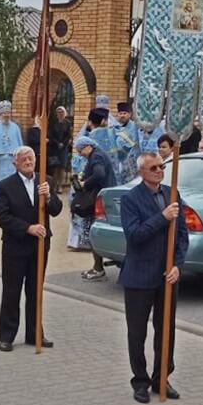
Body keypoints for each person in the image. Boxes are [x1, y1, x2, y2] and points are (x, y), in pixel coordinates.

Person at [119, 152, 188, 403]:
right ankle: (140, 381)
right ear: (142, 172)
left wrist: (177, 264)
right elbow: (134, 236)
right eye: (154, 168)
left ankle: (162, 377)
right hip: (139, 275)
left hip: (167, 275)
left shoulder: (172, 194)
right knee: (137, 332)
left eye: (162, 167)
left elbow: (182, 234)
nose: (160, 171)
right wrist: (162, 217)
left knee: (166, 328)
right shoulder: (130, 199)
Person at [0, 147, 58, 351]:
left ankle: (34, 333)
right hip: (16, 246)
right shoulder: (6, 186)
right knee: (11, 291)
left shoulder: (46, 181)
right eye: (24, 160)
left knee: (35, 290)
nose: (28, 162)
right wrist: (27, 228)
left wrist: (49, 197)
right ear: (16, 164)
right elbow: (2, 217)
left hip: (39, 245)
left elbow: (56, 210)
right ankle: (7, 336)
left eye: (31, 159)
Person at [74, 136, 115, 281]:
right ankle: (97, 267)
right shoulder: (98, 154)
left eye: (80, 151)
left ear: (87, 147)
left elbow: (99, 173)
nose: (80, 155)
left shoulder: (96, 156)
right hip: (102, 197)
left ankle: (98, 269)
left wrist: (84, 184)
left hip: (99, 199)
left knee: (94, 232)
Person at [110, 101, 141, 179]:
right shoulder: (114, 128)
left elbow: (135, 145)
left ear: (130, 114)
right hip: (117, 162)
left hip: (132, 162)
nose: (122, 115)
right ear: (117, 115)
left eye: (125, 113)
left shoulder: (135, 127)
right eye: (120, 113)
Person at [48, 106, 73, 190]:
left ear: (64, 113)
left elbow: (69, 135)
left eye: (61, 112)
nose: (60, 114)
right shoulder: (53, 123)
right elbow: (50, 135)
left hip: (64, 148)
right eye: (58, 112)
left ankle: (60, 185)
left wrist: (63, 144)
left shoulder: (68, 123)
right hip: (54, 147)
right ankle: (54, 185)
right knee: (55, 167)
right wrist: (57, 143)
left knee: (62, 167)